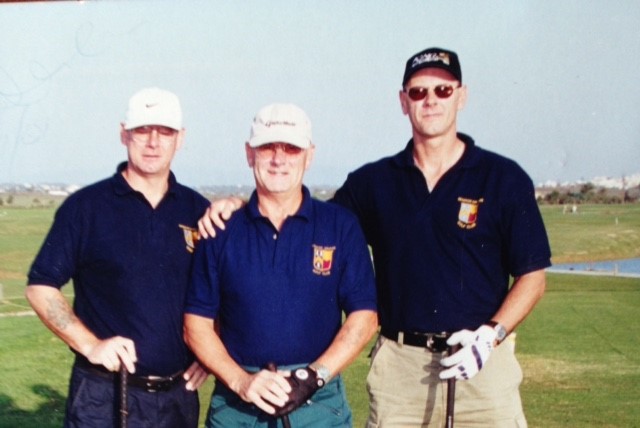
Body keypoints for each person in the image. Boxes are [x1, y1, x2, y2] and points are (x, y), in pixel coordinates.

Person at [200, 48, 552, 427]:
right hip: (401, 368)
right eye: (417, 92)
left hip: (481, 362)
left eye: (442, 91)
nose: (430, 100)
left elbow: (532, 276)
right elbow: (300, 216)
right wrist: (237, 203)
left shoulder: (502, 177)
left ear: (461, 95)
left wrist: (490, 336)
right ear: (404, 102)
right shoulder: (374, 183)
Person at [184, 103, 378, 427]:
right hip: (237, 407)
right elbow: (196, 326)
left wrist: (313, 377)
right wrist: (241, 382)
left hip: (320, 404)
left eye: (291, 148)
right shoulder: (219, 229)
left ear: (309, 155)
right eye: (267, 147)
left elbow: (365, 317)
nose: (278, 158)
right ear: (250, 153)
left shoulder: (340, 225)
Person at [26, 87, 210, 428]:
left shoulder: (198, 210)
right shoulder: (86, 207)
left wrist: (210, 356)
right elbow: (41, 287)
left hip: (178, 398)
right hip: (103, 394)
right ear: (124, 133)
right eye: (142, 130)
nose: (153, 142)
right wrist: (90, 344)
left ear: (180, 138)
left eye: (165, 131)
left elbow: (224, 291)